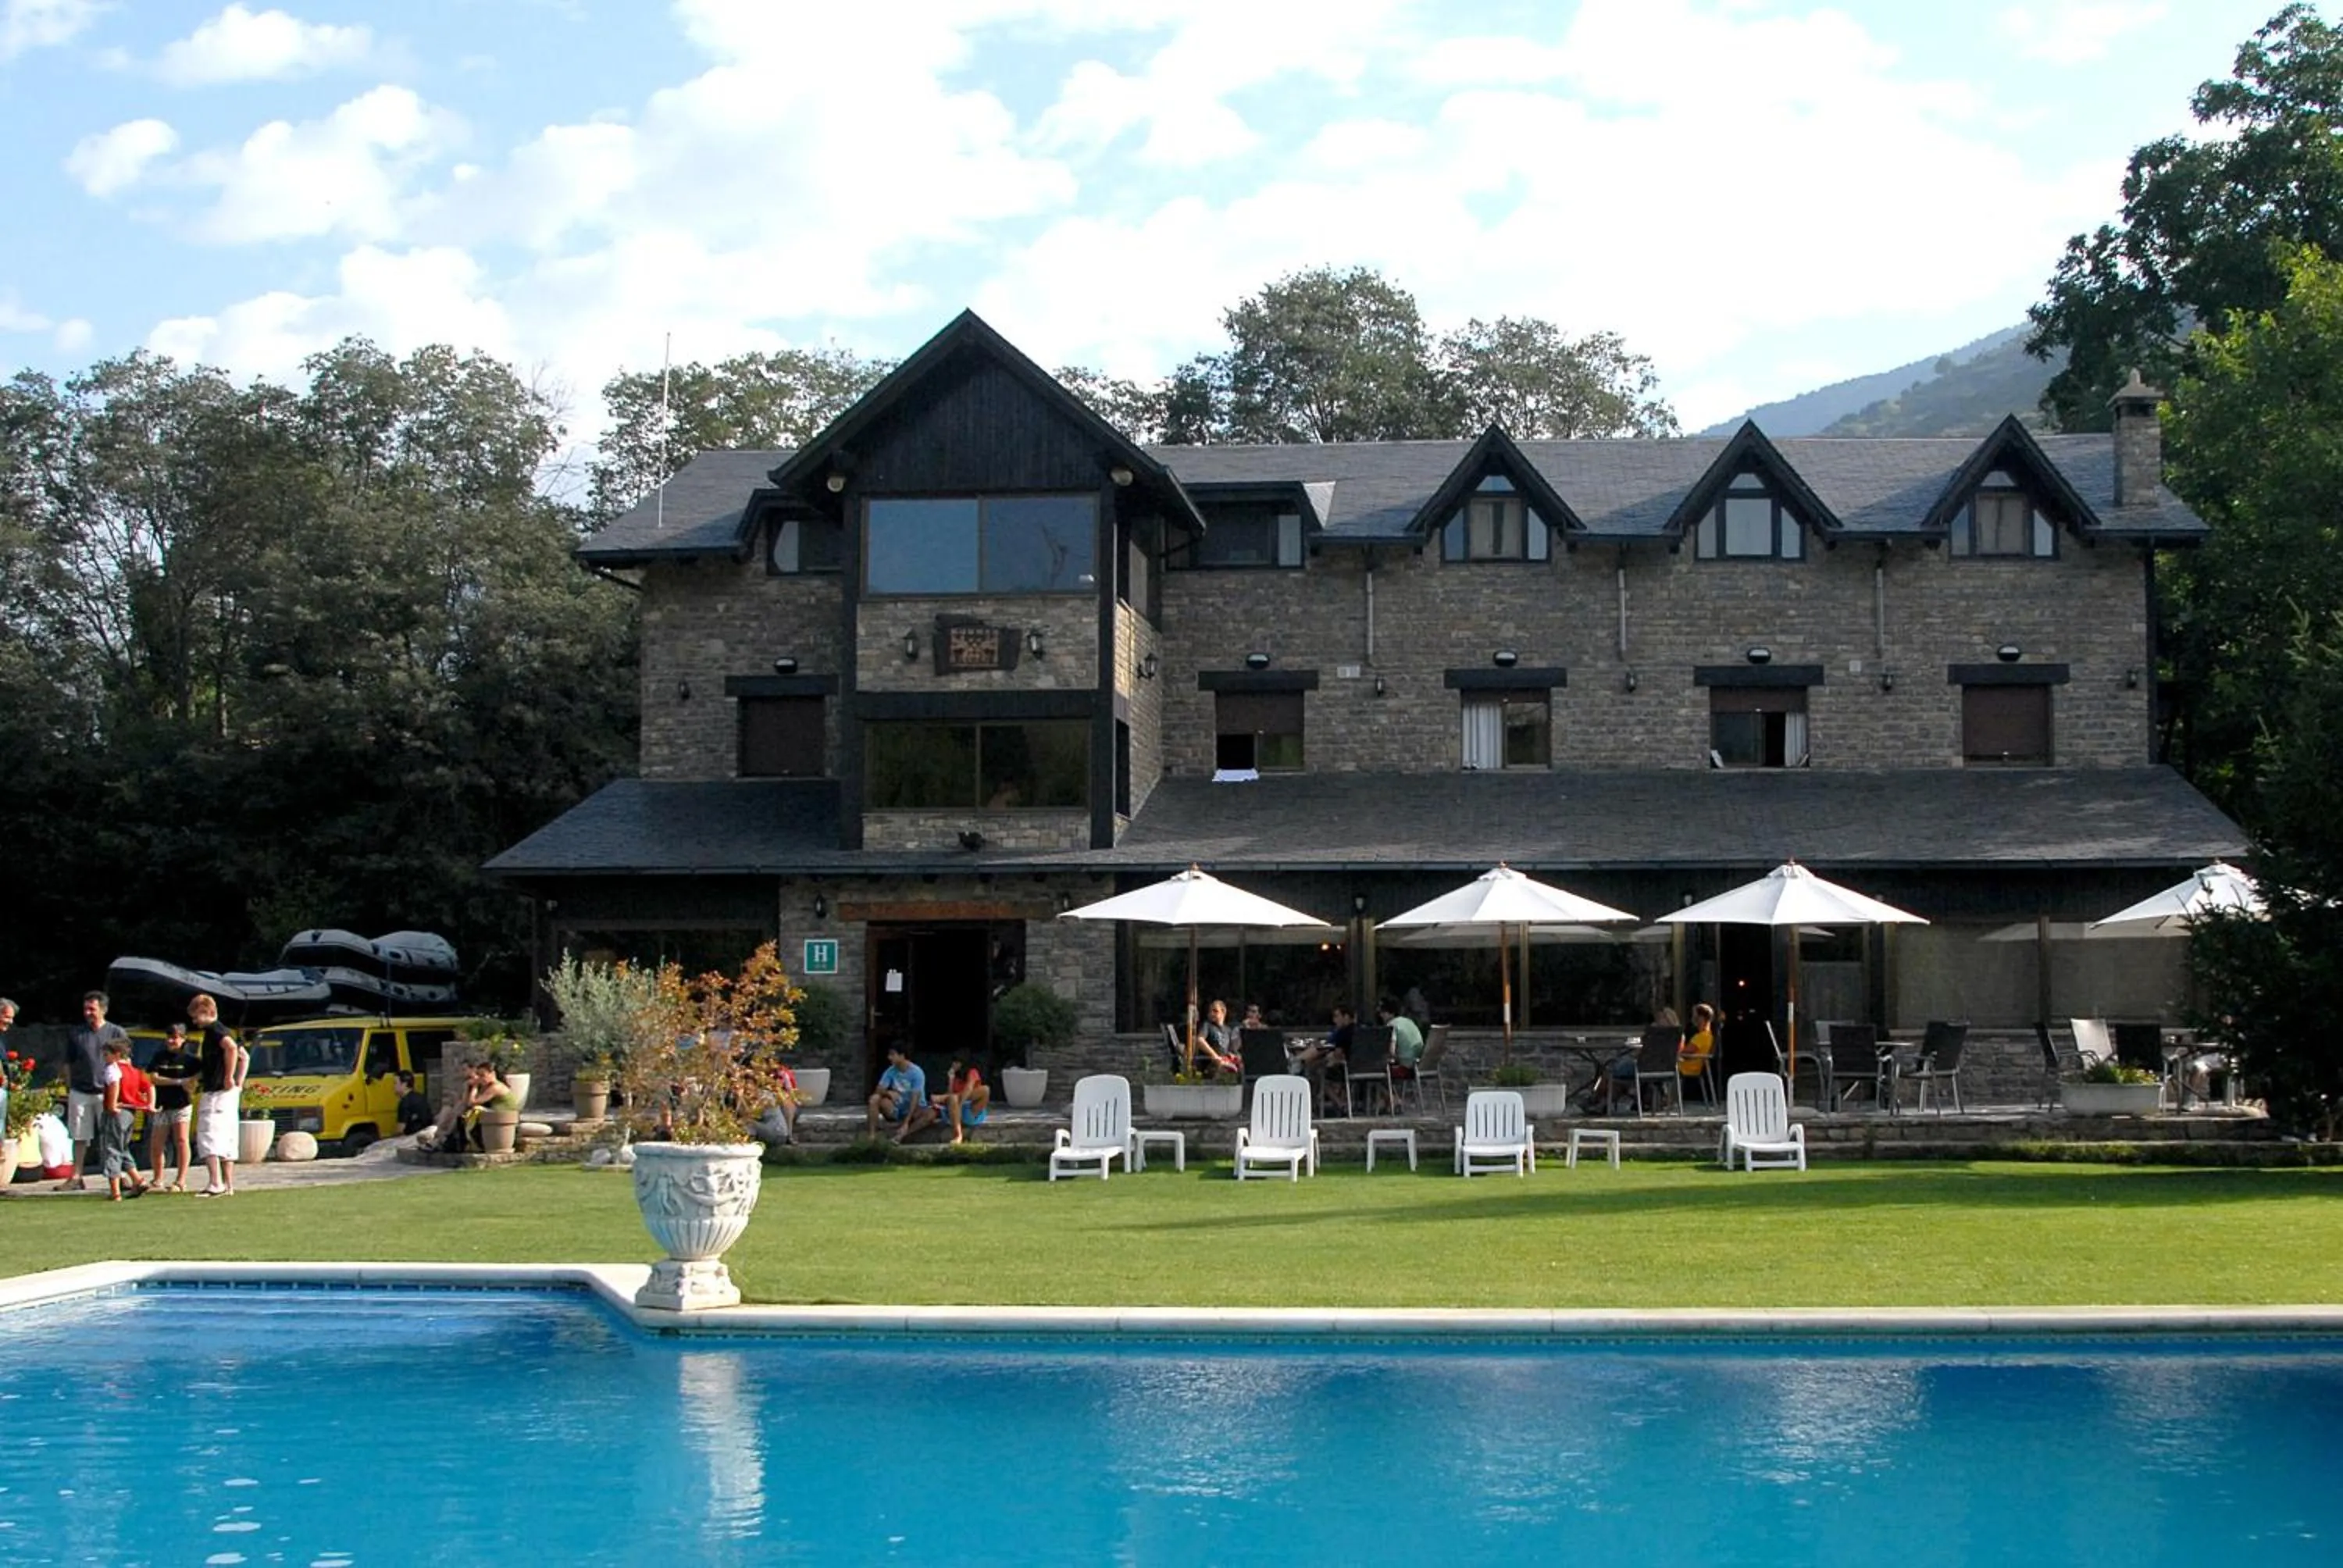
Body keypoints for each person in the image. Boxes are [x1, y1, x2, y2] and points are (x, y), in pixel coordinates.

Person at [64, 991, 130, 1191]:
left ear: (103, 1010)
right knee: (79, 1136)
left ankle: (120, 1175)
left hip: (108, 1092)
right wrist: (69, 1086)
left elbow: (126, 1062)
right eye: (85, 1009)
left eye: (92, 1009)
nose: (88, 1013)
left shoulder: (116, 1032)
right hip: (81, 1091)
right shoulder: (77, 1033)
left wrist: (121, 1092)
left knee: (112, 1136)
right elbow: (68, 1062)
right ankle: (76, 1177)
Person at [190, 992, 246, 1198]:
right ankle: (228, 1184)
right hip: (229, 1094)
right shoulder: (226, 1030)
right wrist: (239, 1082)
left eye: (196, 1016)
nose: (195, 1022)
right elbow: (244, 1056)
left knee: (209, 1134)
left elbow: (231, 1048)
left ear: (206, 1012)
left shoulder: (215, 1030)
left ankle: (215, 1183)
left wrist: (229, 1077)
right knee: (228, 1137)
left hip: (217, 1092)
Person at [147, 1022, 198, 1192]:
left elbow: (200, 1074)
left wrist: (192, 1083)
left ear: (183, 1039)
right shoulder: (159, 1056)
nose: (171, 1041)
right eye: (169, 1037)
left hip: (182, 1104)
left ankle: (181, 1180)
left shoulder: (190, 1059)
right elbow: (154, 1078)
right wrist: (179, 1081)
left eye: (175, 1038)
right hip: (162, 1104)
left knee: (182, 1140)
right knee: (157, 1143)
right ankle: (157, 1178)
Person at [97, 1036, 147, 1200]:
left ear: (117, 1054)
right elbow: (146, 1087)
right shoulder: (134, 1070)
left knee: (111, 1148)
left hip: (117, 1112)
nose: (105, 1058)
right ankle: (138, 1180)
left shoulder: (113, 1068)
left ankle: (115, 1191)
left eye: (107, 1054)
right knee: (122, 1148)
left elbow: (114, 1085)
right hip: (131, 1112)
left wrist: (111, 1105)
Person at [900, 1057, 990, 1145]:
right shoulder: (955, 1076)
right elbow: (950, 1095)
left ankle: (958, 1134)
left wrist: (957, 1102)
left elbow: (968, 1089)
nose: (953, 1065)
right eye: (953, 1063)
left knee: (985, 1089)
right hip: (955, 1110)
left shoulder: (972, 1072)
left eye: (956, 1063)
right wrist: (951, 1079)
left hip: (970, 1107)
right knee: (951, 1099)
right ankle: (958, 1134)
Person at [865, 1046, 926, 1137]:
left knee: (923, 1110)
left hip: (914, 1109)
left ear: (902, 1056)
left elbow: (915, 1098)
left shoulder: (916, 1072)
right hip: (897, 1108)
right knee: (875, 1098)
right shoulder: (891, 1071)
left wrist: (906, 1122)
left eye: (893, 1055)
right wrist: (888, 1093)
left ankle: (905, 1129)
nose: (889, 1058)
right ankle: (872, 1135)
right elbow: (879, 1089)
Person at [1381, 998, 1425, 1099]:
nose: (1381, 1016)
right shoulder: (1409, 1022)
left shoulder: (1392, 1025)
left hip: (1406, 1068)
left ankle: (1394, 1099)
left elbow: (1391, 1051)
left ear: (1390, 1013)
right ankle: (1389, 1102)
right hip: (1419, 1065)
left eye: (1383, 1013)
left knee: (1377, 1075)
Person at [1195, 999, 1241, 1074]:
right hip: (1210, 1065)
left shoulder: (1228, 1030)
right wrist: (1215, 1056)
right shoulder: (1207, 1026)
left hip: (1225, 1063)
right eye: (1210, 1011)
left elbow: (1230, 1050)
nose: (1212, 1014)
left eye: (1215, 1011)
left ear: (1223, 1012)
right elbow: (1200, 1040)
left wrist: (1232, 1056)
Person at [1678, 1002, 1717, 1088]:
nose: (1693, 1019)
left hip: (1686, 1068)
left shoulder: (1702, 1037)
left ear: (1701, 1018)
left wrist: (1681, 1041)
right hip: (1692, 1068)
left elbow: (1685, 1054)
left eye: (1695, 1016)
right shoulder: (1709, 1036)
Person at [394, 1071, 433, 1137]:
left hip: (412, 1138)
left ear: (404, 1085)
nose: (394, 1086)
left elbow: (400, 1130)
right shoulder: (421, 1097)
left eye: (395, 1083)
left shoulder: (405, 1102)